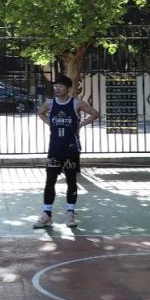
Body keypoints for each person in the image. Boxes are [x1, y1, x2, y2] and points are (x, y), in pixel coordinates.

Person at [34, 75, 100, 229]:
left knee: (71, 181)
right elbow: (40, 113)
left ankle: (70, 213)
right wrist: (50, 123)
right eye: (55, 86)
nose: (57, 88)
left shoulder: (76, 103)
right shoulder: (50, 103)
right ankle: (46, 215)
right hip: (55, 149)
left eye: (61, 86)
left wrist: (81, 125)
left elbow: (95, 113)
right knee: (50, 181)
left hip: (71, 149)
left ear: (68, 88)